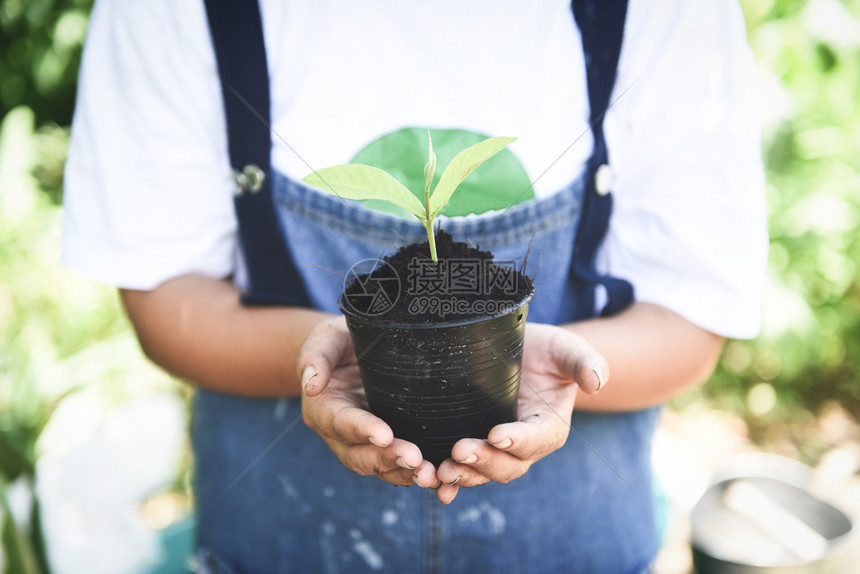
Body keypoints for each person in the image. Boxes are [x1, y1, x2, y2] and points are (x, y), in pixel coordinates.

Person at [62, 0, 767, 572]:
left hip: (574, 544)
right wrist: (322, 355)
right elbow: (167, 301)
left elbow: (691, 316)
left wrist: (527, 362)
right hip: (278, 543)